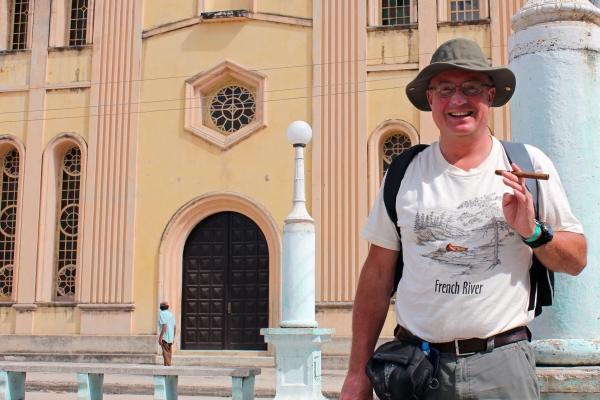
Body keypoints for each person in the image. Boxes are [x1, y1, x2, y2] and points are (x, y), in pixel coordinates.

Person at [340, 38, 587, 399]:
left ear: (489, 96)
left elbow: (577, 259)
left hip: (503, 368)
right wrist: (355, 373)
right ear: (430, 99)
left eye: (471, 88)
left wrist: (533, 233)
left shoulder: (527, 167)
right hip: (417, 370)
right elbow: (376, 275)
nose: (459, 100)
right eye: (445, 89)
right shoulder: (404, 173)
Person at [158, 300, 176, 366]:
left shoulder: (161, 314)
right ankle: (168, 365)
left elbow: (164, 325)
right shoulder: (171, 314)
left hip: (165, 336)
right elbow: (174, 327)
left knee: (165, 353)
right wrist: (173, 337)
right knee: (169, 353)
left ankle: (167, 367)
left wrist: (160, 337)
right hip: (170, 336)